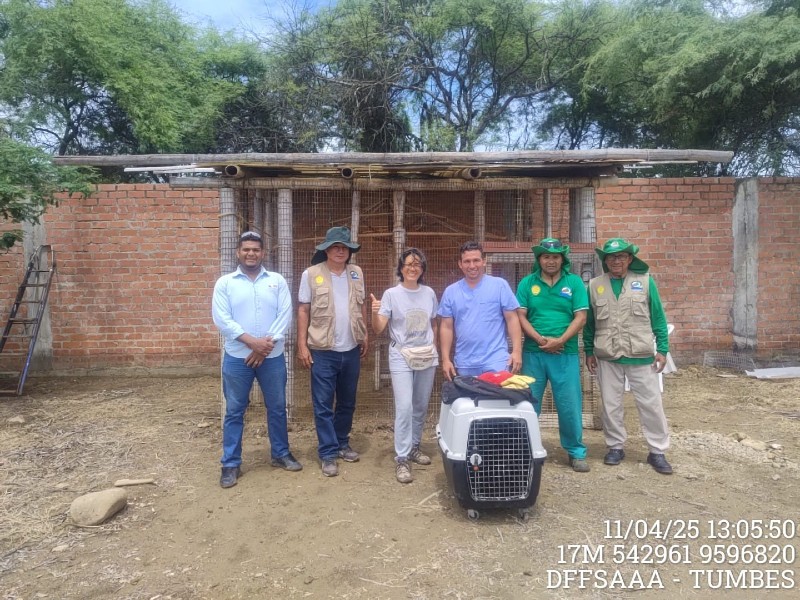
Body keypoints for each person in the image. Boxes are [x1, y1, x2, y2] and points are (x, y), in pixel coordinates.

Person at [212, 231, 302, 489]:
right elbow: (222, 319)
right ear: (238, 253)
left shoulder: (276, 281)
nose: (251, 253)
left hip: (272, 357)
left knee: (276, 407)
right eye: (246, 249)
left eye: (256, 250)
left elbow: (285, 314)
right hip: (237, 358)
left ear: (263, 253)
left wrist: (263, 346)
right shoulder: (225, 283)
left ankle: (281, 454)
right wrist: (252, 342)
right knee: (234, 411)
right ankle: (230, 463)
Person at [583, 238, 673, 475]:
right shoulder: (594, 285)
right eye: (611, 257)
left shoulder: (644, 282)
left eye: (621, 256)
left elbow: (658, 317)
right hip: (607, 356)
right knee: (610, 405)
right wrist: (588, 351)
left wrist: (662, 349)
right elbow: (590, 323)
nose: (616, 261)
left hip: (641, 355)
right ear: (605, 260)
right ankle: (615, 447)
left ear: (629, 259)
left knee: (651, 405)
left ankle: (657, 451)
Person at [297, 226, 369, 477]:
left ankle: (342, 443)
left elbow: (361, 307)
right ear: (326, 250)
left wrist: (364, 334)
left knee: (347, 402)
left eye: (345, 247)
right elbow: (303, 310)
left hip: (350, 349)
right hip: (323, 350)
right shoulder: (311, 274)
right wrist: (302, 345)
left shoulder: (356, 273)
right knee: (323, 404)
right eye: (336, 247)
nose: (340, 251)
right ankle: (327, 452)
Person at [516, 238, 590, 473]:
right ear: (539, 259)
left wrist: (560, 340)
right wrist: (539, 340)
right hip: (533, 353)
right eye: (546, 256)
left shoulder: (574, 282)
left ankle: (575, 451)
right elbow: (521, 316)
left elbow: (581, 317)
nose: (551, 260)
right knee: (528, 404)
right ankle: (524, 449)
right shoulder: (527, 283)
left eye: (555, 256)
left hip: (564, 353)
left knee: (569, 404)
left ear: (562, 259)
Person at [370, 248, 439, 484]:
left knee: (420, 405)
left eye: (418, 264)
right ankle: (401, 458)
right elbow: (379, 328)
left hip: (426, 355)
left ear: (423, 269)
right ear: (401, 268)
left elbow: (434, 322)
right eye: (408, 264)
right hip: (401, 355)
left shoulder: (429, 293)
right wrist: (374, 312)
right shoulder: (391, 294)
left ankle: (414, 446)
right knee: (405, 407)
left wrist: (433, 346)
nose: (413, 268)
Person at [438, 240, 522, 379]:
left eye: (476, 260)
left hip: (496, 361)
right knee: (468, 401)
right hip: (465, 363)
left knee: (496, 400)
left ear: (484, 261)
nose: (472, 265)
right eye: (467, 261)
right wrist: (446, 359)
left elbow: (512, 319)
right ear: (460, 264)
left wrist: (517, 351)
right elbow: (446, 327)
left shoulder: (499, 285)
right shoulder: (451, 292)